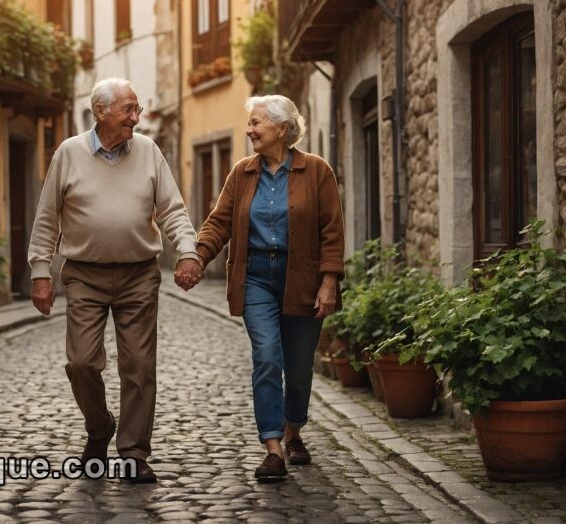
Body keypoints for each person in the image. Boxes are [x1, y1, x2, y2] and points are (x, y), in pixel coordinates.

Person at [28, 77, 203, 483]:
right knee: (82, 363)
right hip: (84, 276)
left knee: (139, 366)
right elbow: (46, 217)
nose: (136, 118)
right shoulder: (69, 153)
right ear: (101, 111)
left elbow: (172, 209)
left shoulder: (148, 151)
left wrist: (188, 250)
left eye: (137, 109)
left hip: (139, 273)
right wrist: (41, 272)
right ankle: (99, 425)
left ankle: (134, 453)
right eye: (128, 109)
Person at [193, 95, 344, 481]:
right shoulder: (242, 173)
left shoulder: (317, 171)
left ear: (281, 128)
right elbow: (218, 223)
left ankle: (294, 431)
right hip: (256, 276)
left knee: (298, 370)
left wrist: (329, 282)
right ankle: (273, 447)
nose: (250, 130)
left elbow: (332, 231)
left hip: (303, 280)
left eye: (257, 123)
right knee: (267, 356)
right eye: (250, 123)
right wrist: (195, 257)